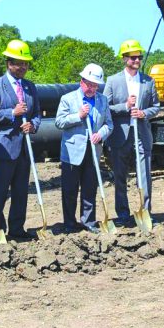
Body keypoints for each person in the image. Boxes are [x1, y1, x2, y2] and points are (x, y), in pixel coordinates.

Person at [0, 39, 41, 240]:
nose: (22, 67)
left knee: (21, 191)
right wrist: (12, 113)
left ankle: (17, 229)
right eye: (18, 63)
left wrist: (32, 125)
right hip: (3, 147)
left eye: (25, 64)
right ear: (8, 63)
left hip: (24, 148)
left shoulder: (30, 87)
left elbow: (37, 115)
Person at [102, 39, 160, 226]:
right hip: (120, 136)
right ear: (124, 58)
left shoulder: (148, 81)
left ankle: (146, 212)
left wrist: (143, 113)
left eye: (139, 57)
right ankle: (123, 215)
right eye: (133, 57)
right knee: (120, 177)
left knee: (145, 175)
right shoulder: (112, 81)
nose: (137, 60)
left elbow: (156, 107)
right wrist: (125, 106)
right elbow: (105, 108)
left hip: (142, 133)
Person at [55, 64, 113, 233]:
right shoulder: (68, 99)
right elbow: (59, 122)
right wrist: (78, 116)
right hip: (72, 152)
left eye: (95, 85)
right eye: (89, 84)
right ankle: (69, 223)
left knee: (89, 188)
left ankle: (88, 222)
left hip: (94, 150)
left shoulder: (102, 100)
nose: (92, 88)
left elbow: (109, 124)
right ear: (82, 82)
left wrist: (101, 134)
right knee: (70, 190)